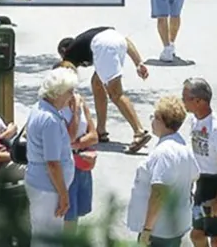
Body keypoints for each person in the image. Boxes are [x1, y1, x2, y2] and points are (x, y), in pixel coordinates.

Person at [57, 27, 153, 153]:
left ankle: (139, 132)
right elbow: (126, 41)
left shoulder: (70, 54)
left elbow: (65, 79)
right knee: (97, 83)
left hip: (104, 47)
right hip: (117, 40)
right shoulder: (85, 42)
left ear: (64, 51)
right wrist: (139, 63)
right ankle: (101, 130)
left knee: (116, 94)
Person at [126, 95, 200, 247]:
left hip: (159, 230)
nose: (152, 120)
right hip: (176, 226)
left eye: (155, 117)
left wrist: (147, 230)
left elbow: (158, 192)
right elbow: (194, 175)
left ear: (163, 121)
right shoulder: (182, 145)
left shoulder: (164, 153)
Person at [24, 67, 78, 243]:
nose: (72, 95)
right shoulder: (50, 120)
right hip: (48, 188)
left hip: (40, 183)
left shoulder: (38, 108)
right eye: (70, 91)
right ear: (58, 93)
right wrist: (64, 195)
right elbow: (53, 163)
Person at [183, 78, 217, 247]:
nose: (183, 102)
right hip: (202, 184)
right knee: (197, 234)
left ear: (199, 101)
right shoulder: (194, 121)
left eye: (185, 98)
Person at [52, 61, 99, 231]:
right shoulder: (56, 107)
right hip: (66, 166)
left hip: (82, 164)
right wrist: (77, 112)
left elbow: (94, 135)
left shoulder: (80, 100)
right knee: (67, 216)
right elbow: (68, 137)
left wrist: (77, 146)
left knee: (77, 213)